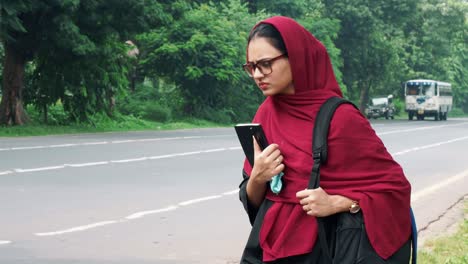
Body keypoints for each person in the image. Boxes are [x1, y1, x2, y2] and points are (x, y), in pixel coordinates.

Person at [238, 16, 412, 263]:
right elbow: (254, 200)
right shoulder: (266, 113)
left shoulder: (341, 118)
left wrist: (339, 203)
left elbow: (394, 189)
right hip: (268, 248)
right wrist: (257, 177)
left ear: (296, 56)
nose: (257, 74)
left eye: (265, 64)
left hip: (326, 250)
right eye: (251, 67)